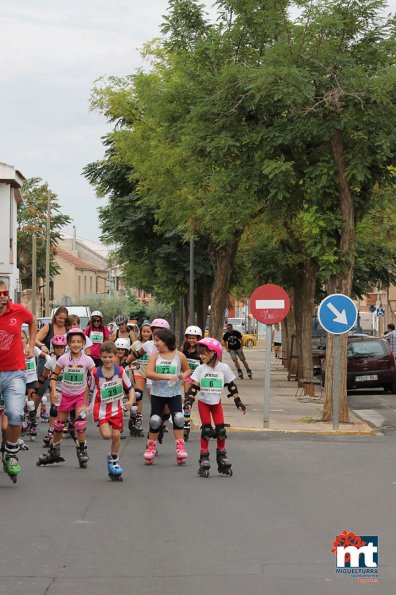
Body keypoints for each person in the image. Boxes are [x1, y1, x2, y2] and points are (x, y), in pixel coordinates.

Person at [184, 338, 246, 477]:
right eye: (200, 354)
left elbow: (231, 385)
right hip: (204, 403)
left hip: (216, 403)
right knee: (206, 430)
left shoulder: (223, 368)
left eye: (204, 354)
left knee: (221, 431)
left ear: (213, 353)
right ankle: (204, 458)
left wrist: (238, 402)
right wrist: (189, 400)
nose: (201, 356)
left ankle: (222, 456)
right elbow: (194, 387)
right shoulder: (201, 368)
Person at [36, 328, 95, 468]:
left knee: (80, 422)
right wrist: (55, 391)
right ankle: (54, 450)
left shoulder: (88, 360)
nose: (75, 344)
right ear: (68, 343)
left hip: (80, 396)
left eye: (78, 342)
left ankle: (82, 450)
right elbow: (54, 375)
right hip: (65, 396)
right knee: (59, 425)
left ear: (83, 343)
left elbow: (95, 374)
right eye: (73, 341)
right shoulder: (63, 359)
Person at [0, 280, 37, 482]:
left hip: (15, 372)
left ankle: (11, 453)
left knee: (15, 413)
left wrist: (31, 345)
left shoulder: (18, 310)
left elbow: (32, 322)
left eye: (5, 292)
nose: (3, 296)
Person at [144, 328, 190, 465]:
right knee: (155, 420)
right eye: (155, 340)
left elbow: (187, 370)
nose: (155, 343)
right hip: (158, 394)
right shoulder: (154, 356)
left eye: (158, 340)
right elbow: (149, 373)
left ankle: (180, 447)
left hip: (174, 394)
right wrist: (166, 376)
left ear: (166, 341)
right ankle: (151, 447)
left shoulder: (179, 355)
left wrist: (183, 375)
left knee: (179, 418)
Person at [92, 342, 136, 481]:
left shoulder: (121, 372)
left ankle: (113, 463)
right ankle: (111, 459)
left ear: (116, 356)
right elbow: (89, 389)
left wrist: (130, 401)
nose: (108, 360)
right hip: (102, 409)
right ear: (101, 357)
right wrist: (85, 405)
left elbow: (130, 389)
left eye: (110, 357)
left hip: (117, 408)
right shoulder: (95, 373)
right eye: (104, 357)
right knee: (106, 435)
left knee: (116, 436)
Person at [35, 334, 67, 448]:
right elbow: (43, 377)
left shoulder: (69, 360)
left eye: (61, 347)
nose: (59, 349)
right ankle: (51, 431)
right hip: (56, 390)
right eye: (57, 347)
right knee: (54, 410)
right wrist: (36, 388)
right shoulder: (50, 362)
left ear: (65, 348)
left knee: (71, 413)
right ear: (54, 348)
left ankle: (71, 427)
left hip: (69, 390)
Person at [127, 321, 152, 437]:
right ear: (141, 332)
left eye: (148, 331)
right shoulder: (136, 344)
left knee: (154, 397)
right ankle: (138, 420)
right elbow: (130, 357)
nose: (146, 334)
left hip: (151, 373)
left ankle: (159, 421)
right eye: (144, 331)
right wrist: (129, 371)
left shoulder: (155, 344)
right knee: (138, 395)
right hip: (138, 372)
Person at [181, 325, 202, 441]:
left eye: (194, 338)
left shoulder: (201, 350)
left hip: (198, 378)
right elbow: (179, 359)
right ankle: (186, 424)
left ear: (198, 338)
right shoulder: (184, 348)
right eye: (189, 338)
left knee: (203, 400)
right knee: (187, 400)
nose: (191, 340)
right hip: (188, 377)